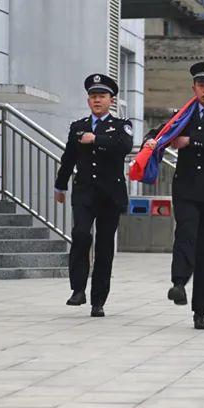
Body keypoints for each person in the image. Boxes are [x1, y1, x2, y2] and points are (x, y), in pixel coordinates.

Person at [143, 61, 204, 330]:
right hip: (186, 187)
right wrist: (151, 141)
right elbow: (161, 132)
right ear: (194, 88)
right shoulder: (182, 115)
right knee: (185, 232)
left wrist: (190, 140)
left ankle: (201, 310)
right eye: (201, 85)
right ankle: (178, 282)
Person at [55, 73, 133, 317]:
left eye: (102, 96)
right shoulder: (78, 127)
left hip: (110, 194)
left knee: (104, 247)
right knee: (80, 234)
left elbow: (124, 147)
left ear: (111, 100)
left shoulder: (122, 126)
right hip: (85, 192)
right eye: (93, 96)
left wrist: (96, 139)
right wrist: (60, 185)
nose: (97, 100)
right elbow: (69, 157)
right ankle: (78, 289)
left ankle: (98, 300)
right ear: (88, 100)